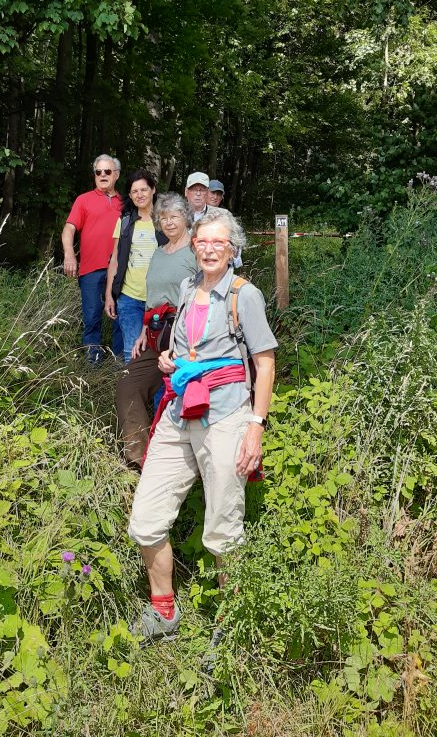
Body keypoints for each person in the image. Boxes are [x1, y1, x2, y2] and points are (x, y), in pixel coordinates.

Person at [128, 207, 277, 642]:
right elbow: (180, 350)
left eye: (219, 242)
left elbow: (264, 364)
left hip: (226, 417)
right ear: (193, 246)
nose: (210, 249)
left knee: (223, 530)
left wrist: (256, 425)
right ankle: (164, 612)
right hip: (178, 412)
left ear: (233, 249)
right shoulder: (187, 285)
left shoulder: (243, 294)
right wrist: (166, 360)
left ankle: (230, 631)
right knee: (146, 520)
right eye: (202, 241)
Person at [116, 193, 197, 469]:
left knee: (177, 394)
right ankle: (140, 460)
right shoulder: (158, 254)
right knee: (129, 383)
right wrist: (142, 332)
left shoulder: (196, 252)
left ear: (186, 217)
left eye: (174, 216)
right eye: (163, 218)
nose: (168, 222)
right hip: (154, 333)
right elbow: (152, 298)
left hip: (185, 334)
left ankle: (178, 462)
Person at [61, 154, 124, 364]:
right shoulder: (84, 200)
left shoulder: (126, 203)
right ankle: (92, 364)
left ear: (116, 174)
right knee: (92, 317)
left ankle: (119, 365)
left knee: (120, 317)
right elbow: (69, 228)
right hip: (91, 268)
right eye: (99, 172)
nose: (103, 175)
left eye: (107, 171)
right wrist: (69, 253)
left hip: (121, 270)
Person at [104, 170, 164, 364]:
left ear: (153, 190)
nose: (140, 194)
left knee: (158, 353)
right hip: (129, 298)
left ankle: (156, 396)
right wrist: (109, 295)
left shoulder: (166, 222)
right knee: (132, 353)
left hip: (159, 301)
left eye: (144, 189)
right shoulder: (125, 222)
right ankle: (132, 395)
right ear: (129, 195)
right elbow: (115, 260)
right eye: (134, 191)